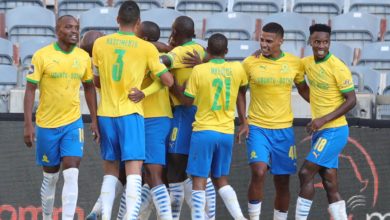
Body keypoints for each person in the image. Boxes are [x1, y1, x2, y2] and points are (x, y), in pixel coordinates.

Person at [92, 1, 173, 219]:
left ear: (117, 19)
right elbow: (168, 80)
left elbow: (96, 81)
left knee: (110, 170)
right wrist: (144, 92)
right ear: (138, 23)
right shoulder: (146, 48)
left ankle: (106, 215)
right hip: (131, 113)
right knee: (134, 169)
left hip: (106, 114)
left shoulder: (100, 44)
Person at [23, 15, 99, 220]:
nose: (74, 31)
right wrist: (28, 125)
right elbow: (30, 90)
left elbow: (90, 88)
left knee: (72, 170)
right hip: (47, 125)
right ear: (58, 30)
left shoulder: (83, 57)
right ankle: (47, 217)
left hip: (72, 123)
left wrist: (95, 120)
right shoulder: (42, 56)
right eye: (69, 27)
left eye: (77, 27)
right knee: (51, 178)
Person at [237, 22, 309, 220]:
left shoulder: (295, 63)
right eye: (261, 39)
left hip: (284, 130)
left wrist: (322, 108)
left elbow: (303, 88)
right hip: (258, 128)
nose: (264, 44)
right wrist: (244, 121)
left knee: (282, 181)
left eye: (269, 41)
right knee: (259, 172)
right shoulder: (250, 63)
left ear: (281, 41)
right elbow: (240, 92)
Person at [174, 33, 248, 220]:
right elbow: (242, 91)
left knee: (199, 181)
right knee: (221, 180)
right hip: (226, 132)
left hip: (204, 131)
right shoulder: (237, 68)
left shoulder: (199, 71)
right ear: (227, 51)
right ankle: (240, 218)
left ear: (207, 50)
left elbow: (188, 102)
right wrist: (243, 121)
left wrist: (174, 87)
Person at [295, 24, 356, 220]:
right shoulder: (306, 63)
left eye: (325, 42)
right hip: (321, 131)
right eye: (317, 42)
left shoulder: (337, 67)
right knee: (329, 181)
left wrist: (322, 119)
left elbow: (352, 101)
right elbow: (300, 83)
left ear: (329, 43)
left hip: (334, 131)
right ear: (310, 42)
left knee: (305, 173)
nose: (321, 46)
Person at [159, 16, 216, 220]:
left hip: (185, 112)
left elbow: (158, 63)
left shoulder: (179, 52)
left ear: (175, 32)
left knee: (176, 163)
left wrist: (171, 83)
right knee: (184, 168)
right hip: (201, 112)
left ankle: (200, 215)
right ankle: (202, 213)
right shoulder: (200, 49)